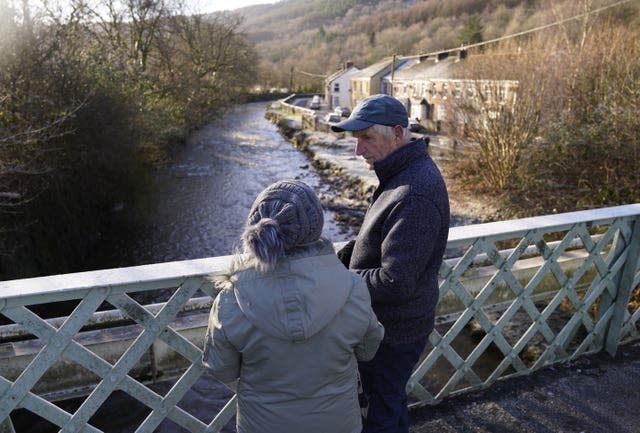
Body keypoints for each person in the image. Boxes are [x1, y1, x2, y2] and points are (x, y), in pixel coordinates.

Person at [202, 179, 384, 433]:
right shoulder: (352, 287)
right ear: (315, 227)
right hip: (337, 422)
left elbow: (221, 368)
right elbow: (368, 349)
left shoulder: (233, 298)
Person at [331, 94, 450, 433]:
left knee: (378, 414)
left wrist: (338, 278)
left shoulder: (414, 191)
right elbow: (382, 236)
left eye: (366, 137)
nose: (358, 150)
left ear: (398, 134)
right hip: (394, 326)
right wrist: (345, 255)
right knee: (390, 402)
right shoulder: (402, 173)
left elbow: (395, 281)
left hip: (393, 332)